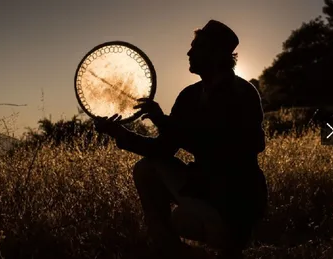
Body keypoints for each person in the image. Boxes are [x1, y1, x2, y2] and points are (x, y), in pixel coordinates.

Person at [94, 20, 268, 259]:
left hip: (235, 201)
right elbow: (164, 148)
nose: (189, 52)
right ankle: (169, 250)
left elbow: (238, 147)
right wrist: (118, 133)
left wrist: (164, 122)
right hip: (206, 188)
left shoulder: (243, 94)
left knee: (182, 218)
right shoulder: (189, 96)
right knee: (147, 169)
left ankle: (228, 246)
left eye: (196, 47)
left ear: (214, 53)